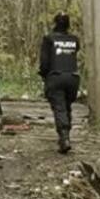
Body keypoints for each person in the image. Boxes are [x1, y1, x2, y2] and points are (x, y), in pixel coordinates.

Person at [39, 12, 80, 153]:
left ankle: (64, 137)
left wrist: (43, 74)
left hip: (55, 76)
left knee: (59, 107)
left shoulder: (49, 39)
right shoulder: (74, 40)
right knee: (67, 106)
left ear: (55, 23)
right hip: (73, 78)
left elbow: (44, 62)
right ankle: (66, 135)